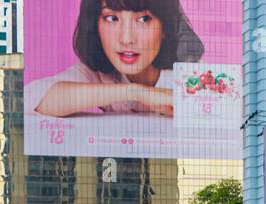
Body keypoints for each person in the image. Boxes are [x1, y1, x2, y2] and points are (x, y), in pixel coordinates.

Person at [27, 0, 201, 120]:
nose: (126, 38)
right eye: (112, 18)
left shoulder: (191, 76)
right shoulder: (98, 74)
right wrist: (135, 92)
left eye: (143, 19)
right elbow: (35, 99)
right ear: (95, 24)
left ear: (166, 27)